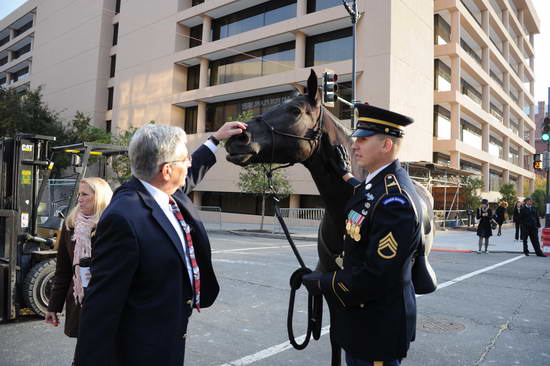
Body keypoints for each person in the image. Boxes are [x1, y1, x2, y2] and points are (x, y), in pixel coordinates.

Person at [74, 122, 246, 366]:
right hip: (144, 351)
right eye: (184, 158)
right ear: (167, 171)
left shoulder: (166, 191)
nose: (189, 163)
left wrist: (215, 140)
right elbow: (102, 305)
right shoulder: (123, 217)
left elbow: (190, 172)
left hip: (170, 338)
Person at [301, 103, 422, 365]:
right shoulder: (377, 184)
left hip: (377, 330)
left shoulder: (395, 202)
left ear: (386, 145)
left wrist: (322, 282)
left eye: (363, 139)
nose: (354, 145)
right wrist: (343, 174)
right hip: (361, 323)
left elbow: (375, 276)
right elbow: (365, 194)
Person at [45, 178, 113, 342]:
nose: (79, 199)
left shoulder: (112, 225)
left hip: (107, 303)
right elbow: (63, 270)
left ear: (99, 197)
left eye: (84, 194)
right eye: (78, 195)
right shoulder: (71, 225)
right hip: (80, 302)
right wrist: (53, 306)